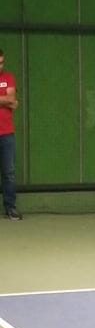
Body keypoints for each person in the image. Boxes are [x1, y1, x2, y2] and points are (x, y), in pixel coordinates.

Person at [0, 49, 22, 220]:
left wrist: (10, 100)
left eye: (1, 63)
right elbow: (9, 101)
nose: (0, 66)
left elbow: (12, 100)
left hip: (7, 133)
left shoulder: (8, 78)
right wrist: (6, 100)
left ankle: (10, 207)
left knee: (9, 172)